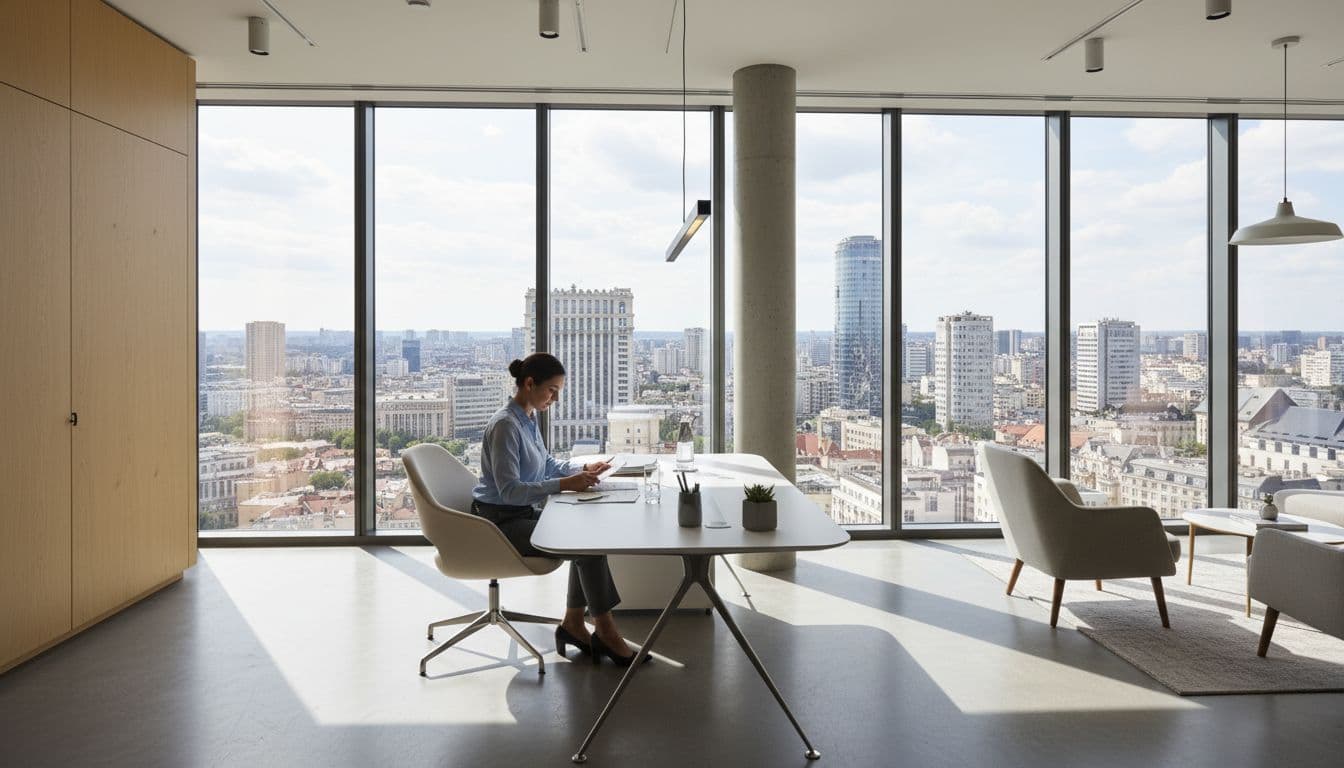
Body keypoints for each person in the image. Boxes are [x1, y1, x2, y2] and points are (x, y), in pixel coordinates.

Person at [471, 352, 646, 666]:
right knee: (583, 544)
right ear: (528, 383)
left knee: (587, 536)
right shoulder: (505, 427)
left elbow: (547, 465)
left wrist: (581, 468)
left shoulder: (528, 417)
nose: (555, 398)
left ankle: (574, 624)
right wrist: (567, 484)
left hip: (521, 513)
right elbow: (510, 491)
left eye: (558, 391)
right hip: (498, 524)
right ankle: (603, 630)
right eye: (551, 390)